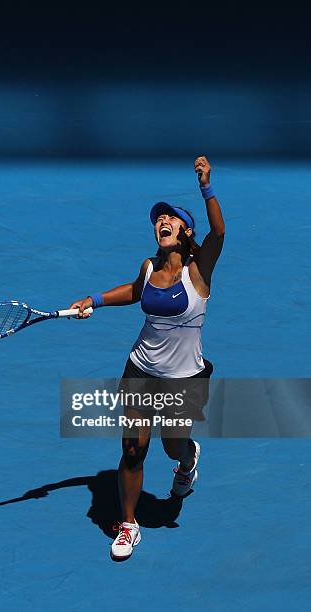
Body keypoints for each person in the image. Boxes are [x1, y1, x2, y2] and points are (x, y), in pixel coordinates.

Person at [70, 156, 225, 560]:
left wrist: (206, 185)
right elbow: (137, 291)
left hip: (182, 378)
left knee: (173, 447)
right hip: (140, 368)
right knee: (134, 450)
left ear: (186, 231)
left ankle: (188, 460)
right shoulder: (149, 266)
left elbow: (220, 231)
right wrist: (96, 300)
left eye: (170, 219)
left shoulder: (199, 270)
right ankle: (128, 524)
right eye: (158, 220)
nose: (162, 223)